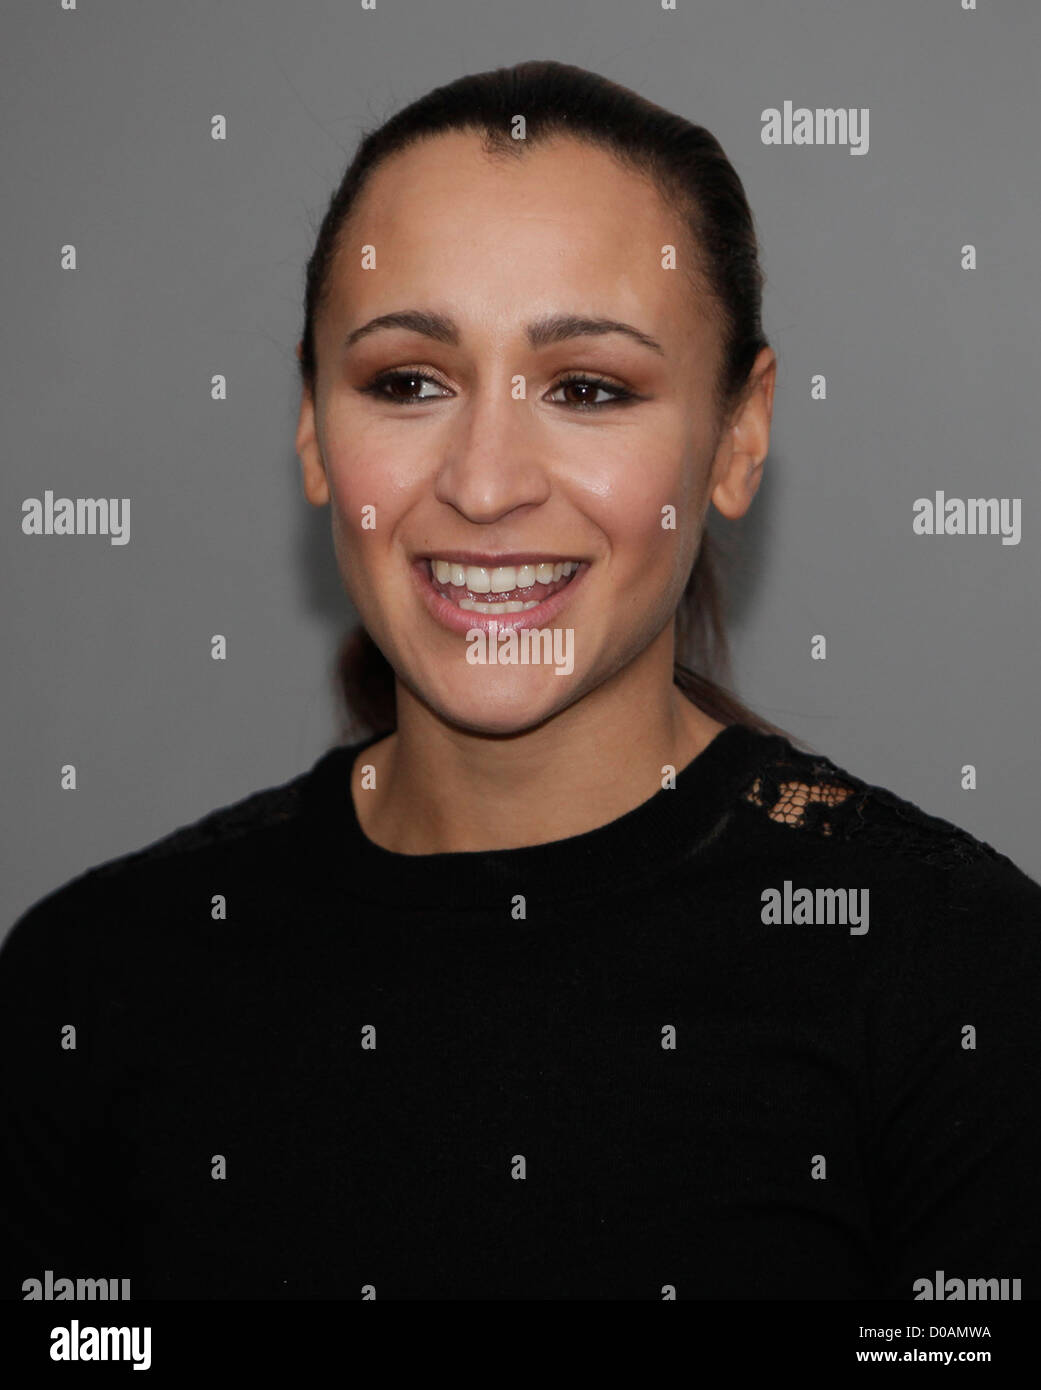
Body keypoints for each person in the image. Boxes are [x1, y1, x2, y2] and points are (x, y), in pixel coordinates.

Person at [2, 60, 1039, 1302]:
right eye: (408, 383)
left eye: (588, 389)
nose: (486, 483)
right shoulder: (93, 980)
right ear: (311, 426)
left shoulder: (952, 971)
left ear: (739, 436)